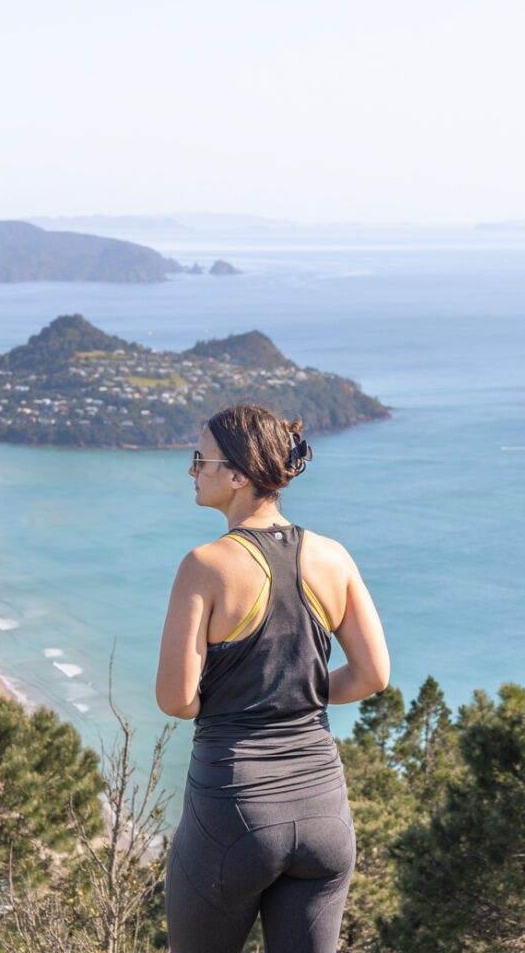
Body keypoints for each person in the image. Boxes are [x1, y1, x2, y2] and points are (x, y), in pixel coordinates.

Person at [155, 403, 390, 953]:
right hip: (324, 812)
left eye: (200, 459)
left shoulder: (205, 565)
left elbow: (177, 700)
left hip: (233, 810)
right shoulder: (333, 557)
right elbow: (374, 675)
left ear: (237, 476)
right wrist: (297, 693)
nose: (193, 470)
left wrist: (248, 696)